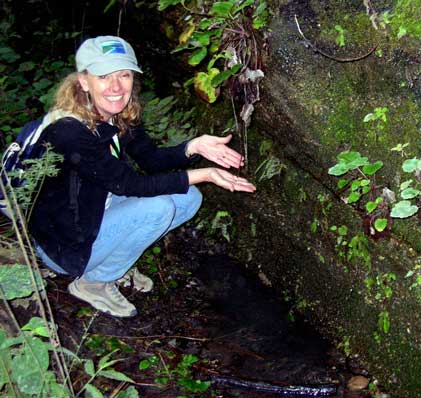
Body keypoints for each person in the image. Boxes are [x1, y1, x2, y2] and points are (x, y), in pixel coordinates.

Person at [29, 35, 256, 318]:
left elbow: (150, 160)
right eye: (103, 76)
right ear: (84, 81)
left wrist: (193, 147)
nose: (116, 87)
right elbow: (130, 184)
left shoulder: (115, 116)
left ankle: (113, 260)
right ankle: (94, 282)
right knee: (159, 208)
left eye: (124, 75)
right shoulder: (68, 131)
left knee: (188, 198)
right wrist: (206, 173)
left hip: (96, 212)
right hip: (65, 246)